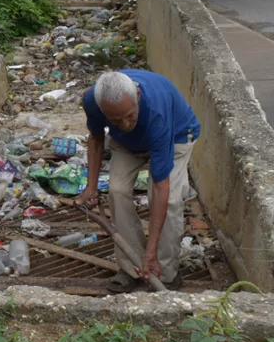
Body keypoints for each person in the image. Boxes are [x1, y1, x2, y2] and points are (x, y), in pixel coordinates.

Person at [75, 70, 200, 293]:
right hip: (128, 144)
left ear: (138, 96)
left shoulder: (156, 114)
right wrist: (91, 186)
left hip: (177, 136)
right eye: (115, 120)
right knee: (117, 191)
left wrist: (151, 251)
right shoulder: (92, 101)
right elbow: (96, 137)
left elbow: (161, 186)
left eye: (130, 115)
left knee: (169, 201)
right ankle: (131, 268)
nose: (124, 124)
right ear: (103, 109)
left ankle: (165, 272)